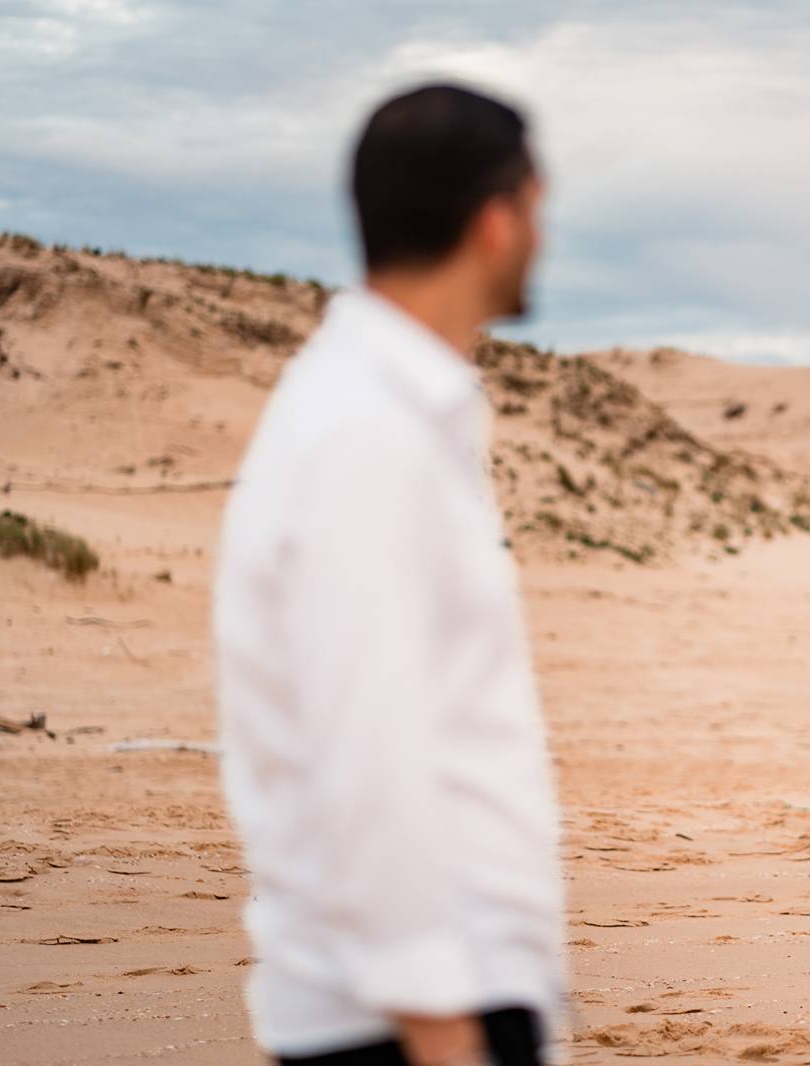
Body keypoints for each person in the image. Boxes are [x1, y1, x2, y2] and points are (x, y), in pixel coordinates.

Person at [213, 84, 561, 1066]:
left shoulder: (389, 412)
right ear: (496, 222)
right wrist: (440, 1027)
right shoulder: (364, 433)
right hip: (406, 1019)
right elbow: (366, 746)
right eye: (540, 207)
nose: (546, 235)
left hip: (437, 993)